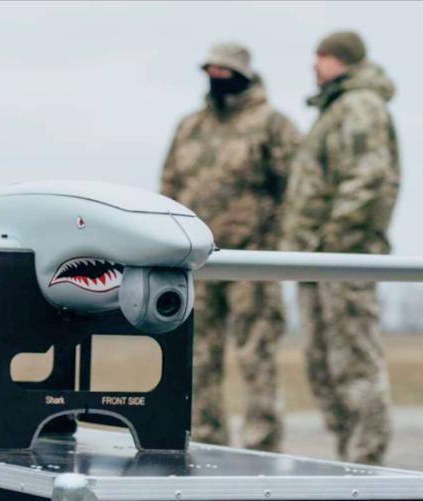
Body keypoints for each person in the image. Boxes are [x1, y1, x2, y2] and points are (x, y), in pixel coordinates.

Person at [161, 42, 301, 450]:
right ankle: (203, 441)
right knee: (197, 356)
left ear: (242, 74)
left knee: (256, 356)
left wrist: (276, 246)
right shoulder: (190, 127)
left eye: (224, 70)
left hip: (251, 262)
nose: (216, 77)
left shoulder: (273, 124)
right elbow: (169, 188)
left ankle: (262, 445)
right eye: (211, 70)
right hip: (197, 263)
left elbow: (297, 190)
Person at [281, 31, 400, 465]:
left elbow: (370, 178)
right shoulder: (333, 110)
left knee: (354, 363)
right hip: (317, 261)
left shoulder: (360, 106)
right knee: (323, 365)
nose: (315, 64)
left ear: (345, 60)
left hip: (342, 260)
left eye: (324, 56)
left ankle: (366, 463)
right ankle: (348, 459)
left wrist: (332, 243)